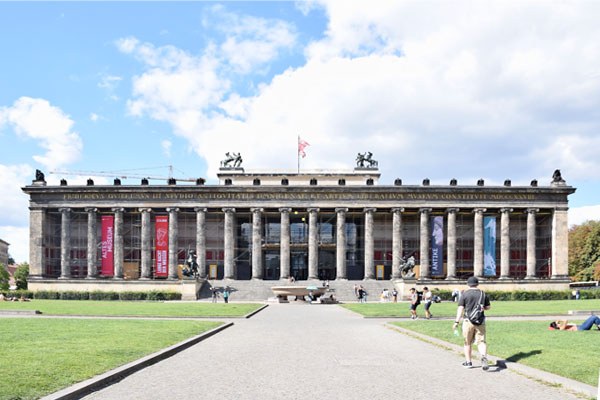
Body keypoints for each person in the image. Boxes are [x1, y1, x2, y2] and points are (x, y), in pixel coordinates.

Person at [452, 276, 491, 370]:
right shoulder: (483, 294)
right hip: (480, 320)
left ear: (468, 284)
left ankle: (468, 362)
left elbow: (460, 308)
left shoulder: (465, 294)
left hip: (468, 320)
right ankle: (483, 357)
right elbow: (488, 307)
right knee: (481, 341)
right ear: (477, 284)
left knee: (467, 342)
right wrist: (482, 308)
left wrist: (456, 321)